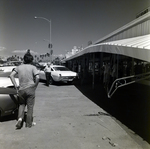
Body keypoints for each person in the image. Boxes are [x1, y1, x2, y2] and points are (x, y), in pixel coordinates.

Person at [9, 52, 39, 129]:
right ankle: (29, 124)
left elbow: (11, 75)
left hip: (21, 89)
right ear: (31, 60)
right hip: (30, 89)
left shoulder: (19, 67)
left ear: (24, 59)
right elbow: (38, 78)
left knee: (21, 105)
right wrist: (35, 85)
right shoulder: (33, 67)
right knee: (30, 107)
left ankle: (19, 119)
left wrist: (16, 86)